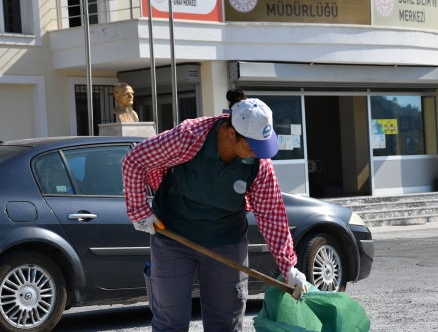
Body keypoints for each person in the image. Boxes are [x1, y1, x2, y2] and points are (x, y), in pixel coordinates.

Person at [122, 89, 308, 332]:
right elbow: (134, 160)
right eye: (253, 147)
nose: (259, 154)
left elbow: (271, 213)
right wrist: (140, 212)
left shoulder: (259, 164)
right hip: (173, 235)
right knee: (170, 322)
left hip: (226, 240)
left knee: (225, 323)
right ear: (232, 133)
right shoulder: (188, 137)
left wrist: (288, 266)